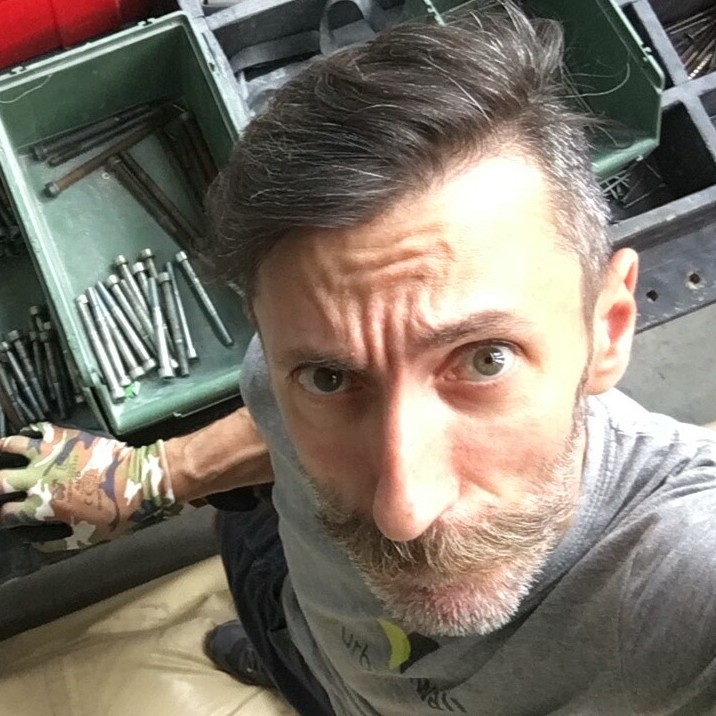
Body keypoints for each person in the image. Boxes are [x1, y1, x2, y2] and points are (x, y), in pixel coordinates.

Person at [2, 5, 716, 714]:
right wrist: (159, 474)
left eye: (485, 360)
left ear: (608, 328)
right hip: (307, 617)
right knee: (292, 640)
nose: (403, 510)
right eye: (332, 379)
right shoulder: (291, 357)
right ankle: (287, 658)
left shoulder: (675, 567)